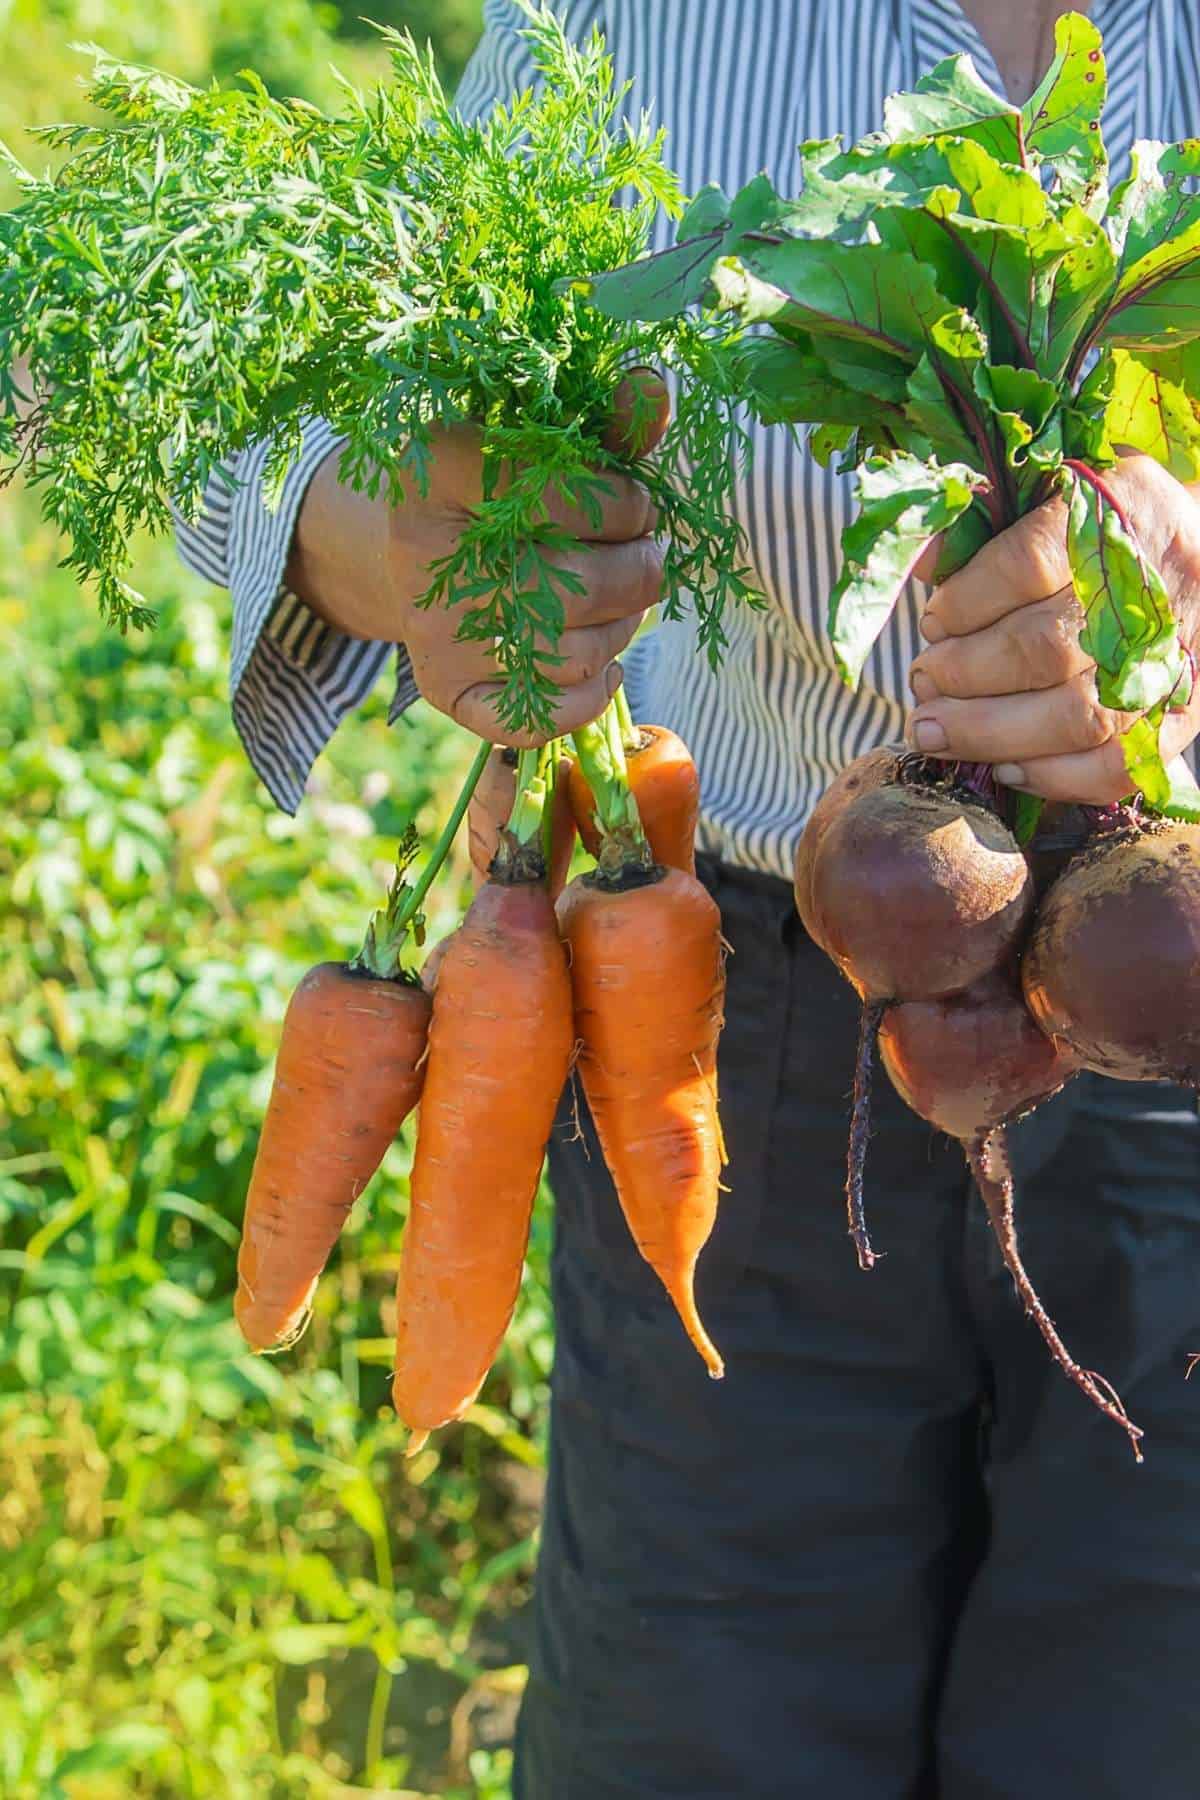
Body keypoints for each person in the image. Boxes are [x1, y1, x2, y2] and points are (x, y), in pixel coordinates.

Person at [177, 2, 1200, 1793]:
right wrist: (368, 524)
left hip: (1172, 1002)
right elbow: (339, 403)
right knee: (697, 1735)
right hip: (740, 1045)